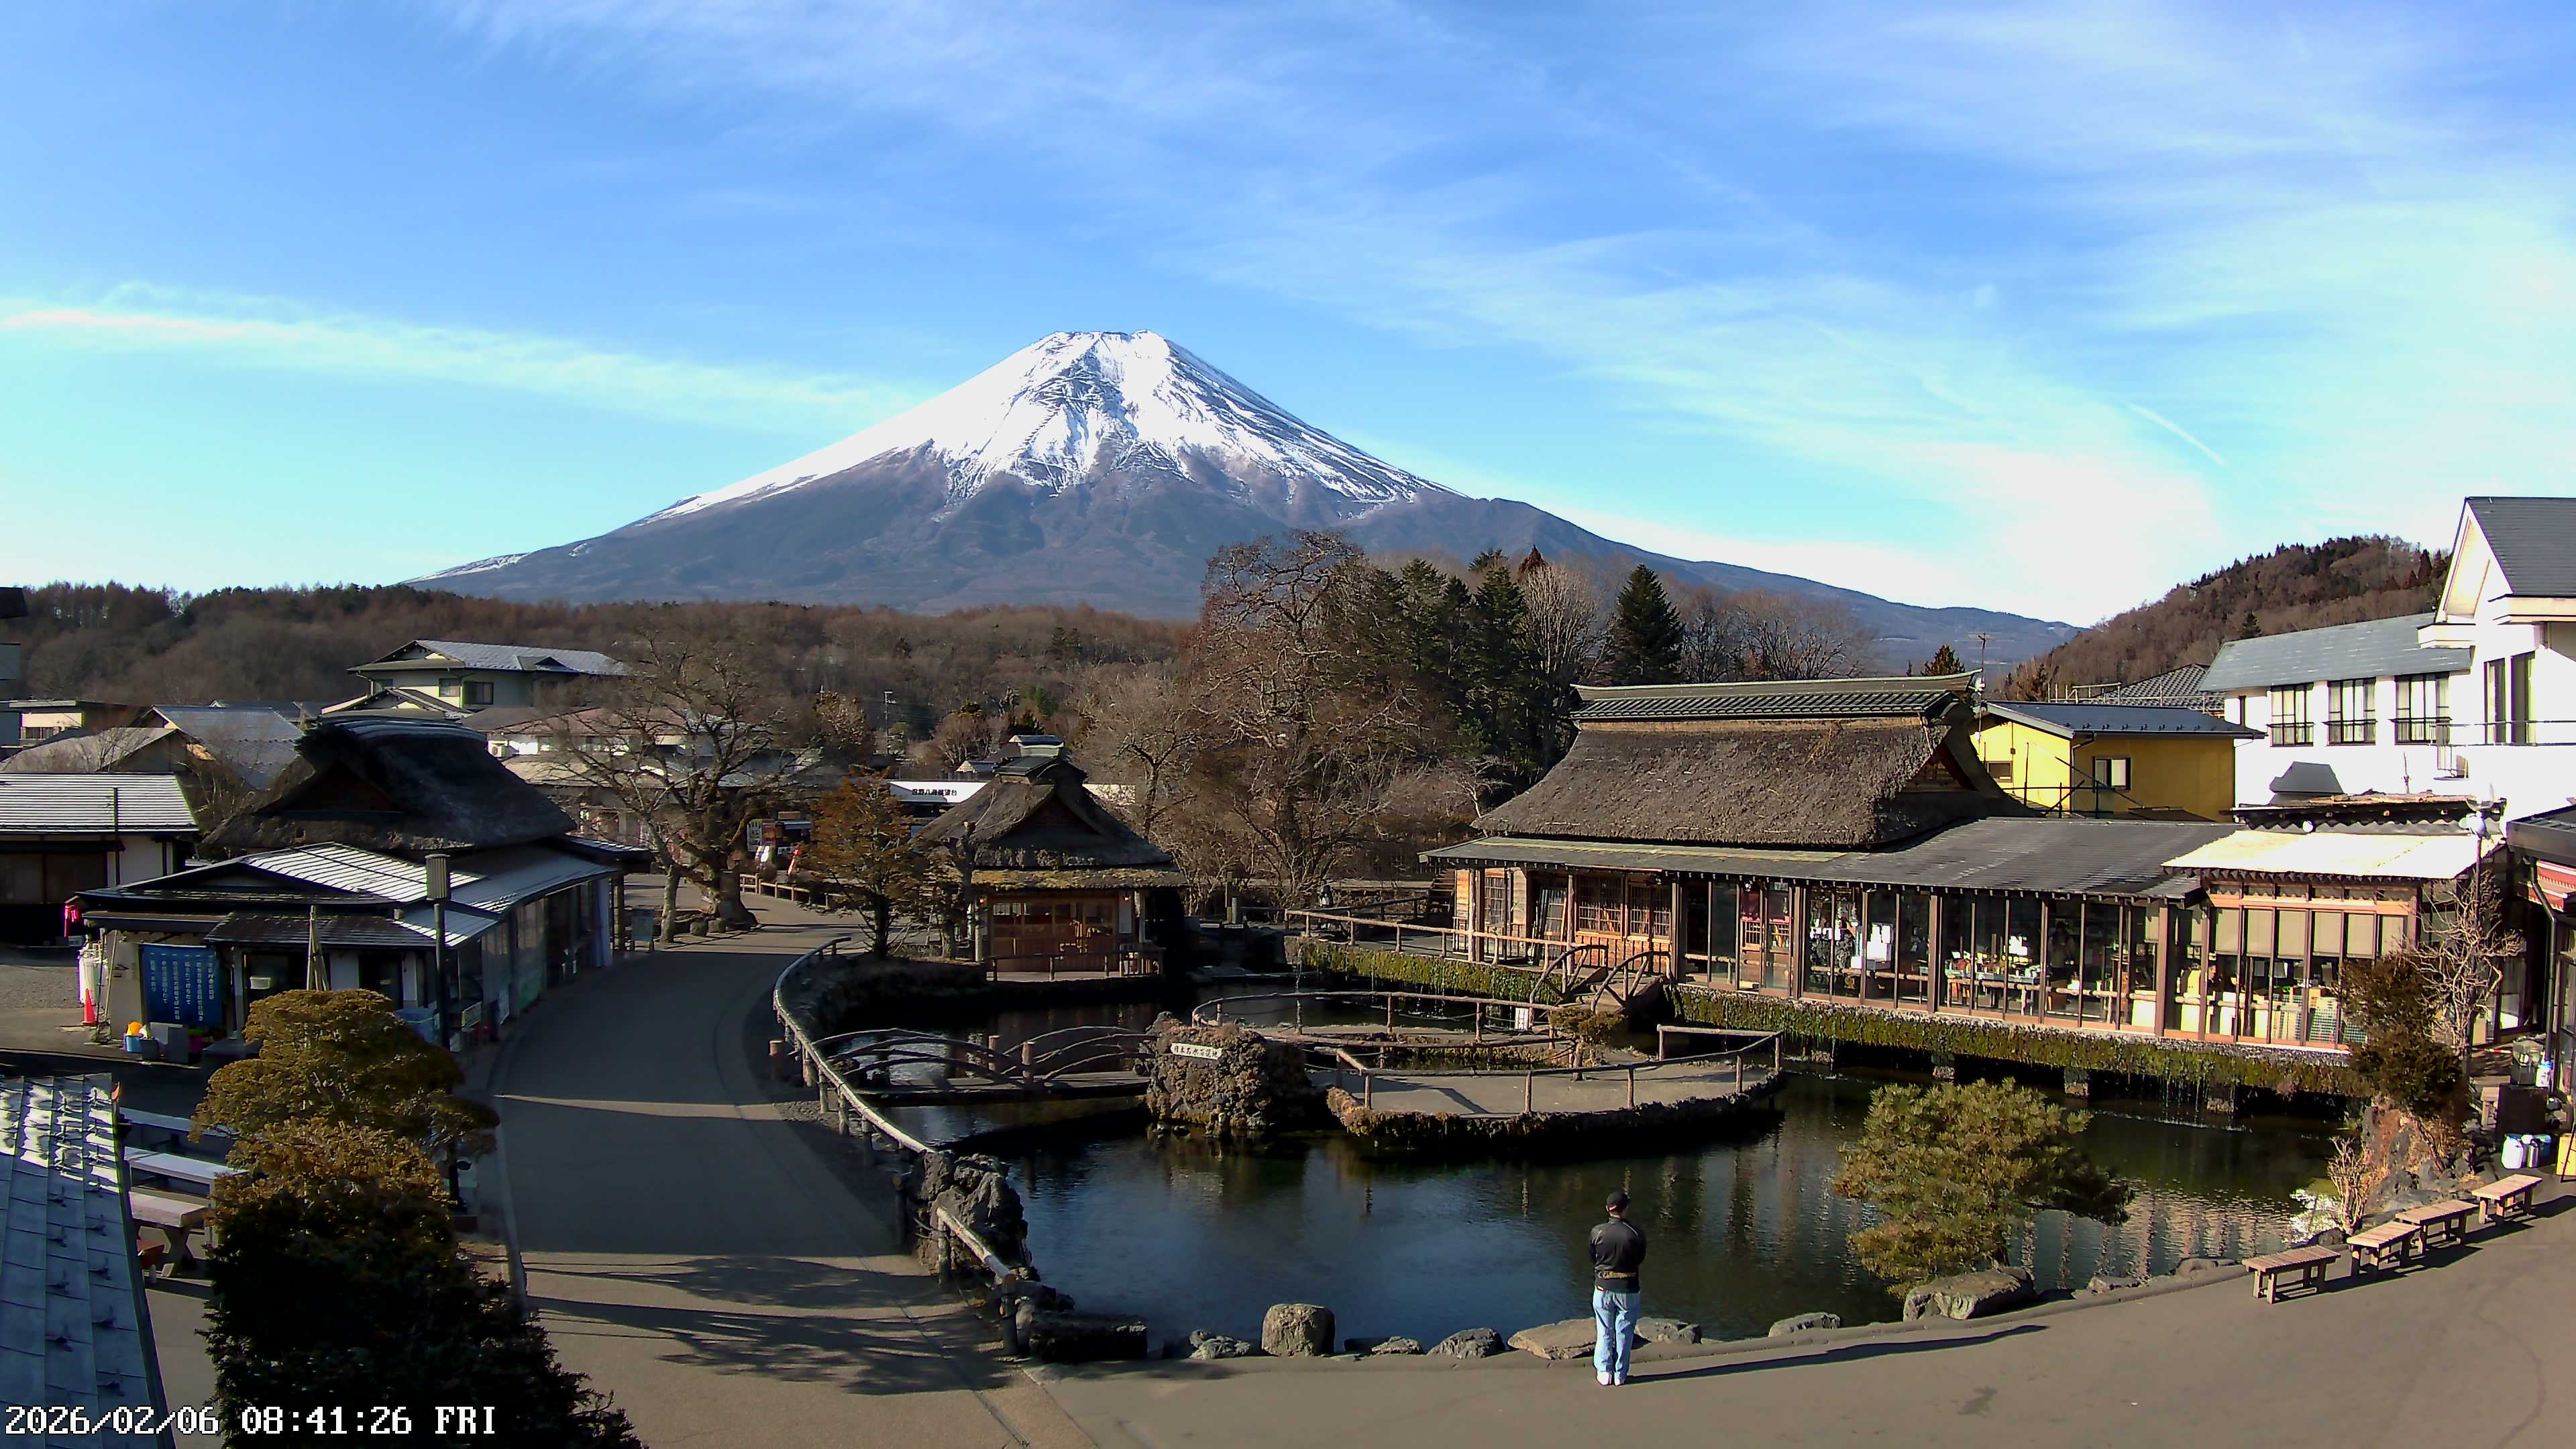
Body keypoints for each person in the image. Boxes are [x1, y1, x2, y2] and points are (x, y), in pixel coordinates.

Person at [1590, 1188, 1646, 1387]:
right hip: (1628, 1288)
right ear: (1625, 1209)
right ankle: (1621, 1374)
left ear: (1608, 1209)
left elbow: (1593, 1258)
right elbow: (1640, 1258)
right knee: (1624, 1332)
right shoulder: (1636, 1233)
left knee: (1604, 1330)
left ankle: (1604, 1372)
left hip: (1603, 1287)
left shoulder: (1598, 1232)